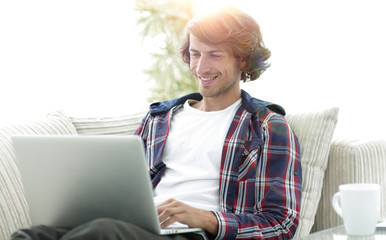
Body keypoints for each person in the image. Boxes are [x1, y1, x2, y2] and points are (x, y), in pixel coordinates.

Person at [11, 6, 301, 240]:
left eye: (214, 55)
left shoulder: (266, 126)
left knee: (104, 233)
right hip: (142, 228)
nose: (200, 67)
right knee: (32, 234)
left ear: (243, 62)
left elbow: (280, 224)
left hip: (195, 234)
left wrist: (204, 218)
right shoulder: (159, 118)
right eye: (195, 54)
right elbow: (126, 188)